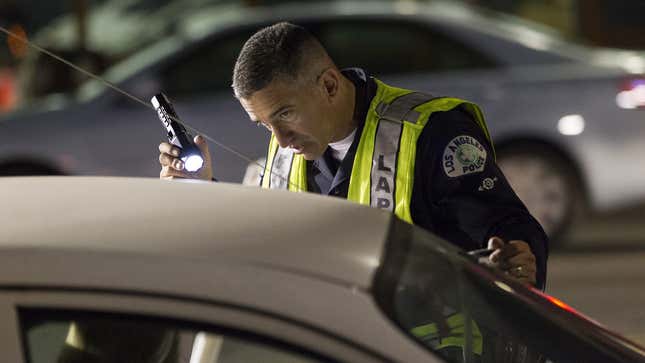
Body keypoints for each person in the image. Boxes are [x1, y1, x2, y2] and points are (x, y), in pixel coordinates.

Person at [158, 22, 547, 290]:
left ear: (328, 85)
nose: (279, 137)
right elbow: (264, 242)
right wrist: (203, 189)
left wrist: (516, 258)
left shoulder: (431, 133)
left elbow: (507, 233)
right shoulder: (288, 145)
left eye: (285, 114)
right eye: (262, 124)